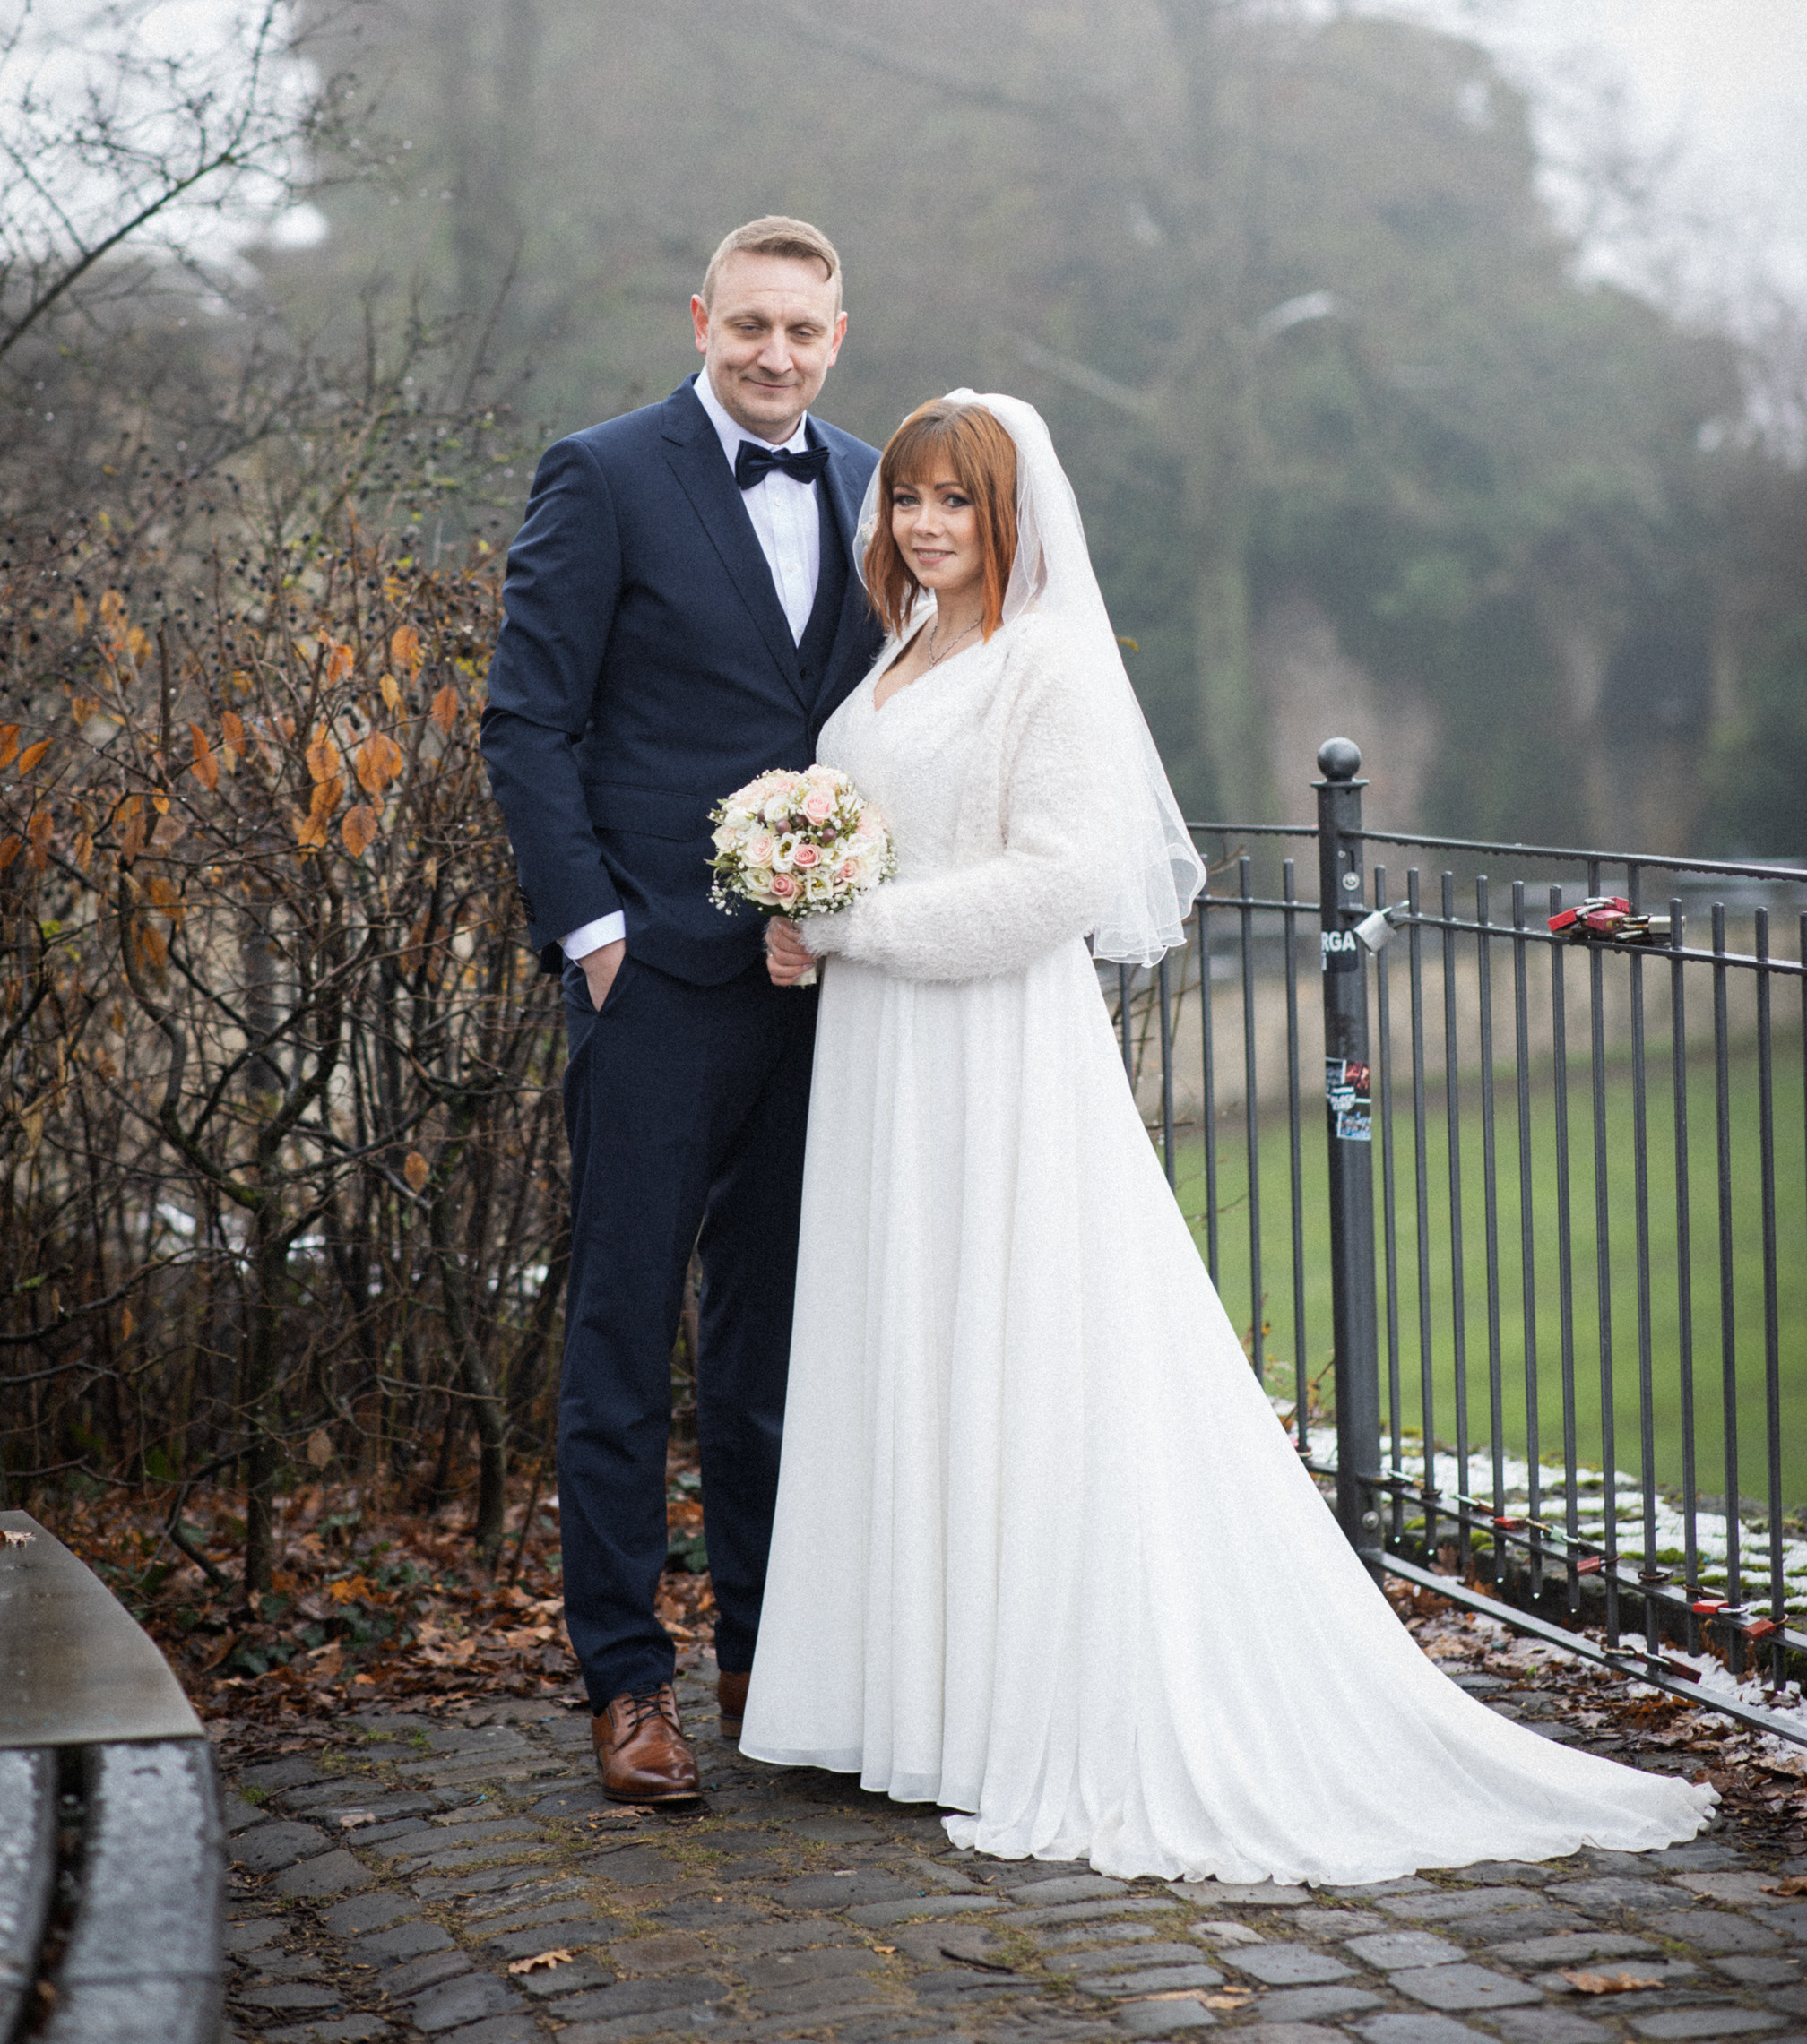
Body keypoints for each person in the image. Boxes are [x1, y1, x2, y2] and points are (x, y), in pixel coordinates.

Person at [742, 391, 1711, 1882]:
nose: (925, 524)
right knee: (906, 1338)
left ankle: (1019, 1694)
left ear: (1012, 516)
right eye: (911, 500)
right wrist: (808, 912)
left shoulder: (1047, 664)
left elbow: (1062, 881)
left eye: (956, 501)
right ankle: (911, 1698)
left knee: (1011, 1346)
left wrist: (854, 920)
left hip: (991, 1054)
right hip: (883, 1058)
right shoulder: (897, 651)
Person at [480, 218, 882, 1803]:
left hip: (818, 986)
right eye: (750, 327)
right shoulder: (604, 471)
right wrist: (593, 934)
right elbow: (528, 719)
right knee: (625, 1337)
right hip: (650, 977)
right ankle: (626, 1683)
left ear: (840, 337)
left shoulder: (873, 482)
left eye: (805, 332)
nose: (775, 356)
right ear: (701, 319)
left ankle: (767, 1662)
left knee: (778, 1340)